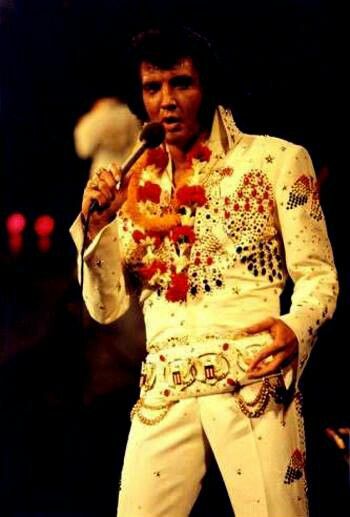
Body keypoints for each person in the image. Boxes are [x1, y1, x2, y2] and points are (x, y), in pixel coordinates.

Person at [70, 27, 338, 517]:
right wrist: (99, 228)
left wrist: (295, 327)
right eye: (153, 88)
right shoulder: (131, 193)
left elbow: (319, 275)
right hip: (163, 394)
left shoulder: (277, 161)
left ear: (208, 86)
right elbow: (105, 308)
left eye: (181, 84)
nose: (166, 102)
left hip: (255, 382)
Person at [74, 97, 140, 178]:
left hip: (102, 173)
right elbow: (138, 144)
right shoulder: (131, 116)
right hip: (129, 169)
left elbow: (83, 150)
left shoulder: (91, 120)